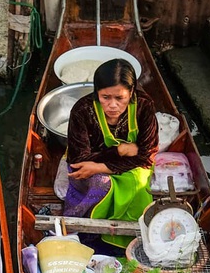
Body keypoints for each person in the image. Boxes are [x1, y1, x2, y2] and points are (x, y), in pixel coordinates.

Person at [64, 57, 159, 248]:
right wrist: (120, 151)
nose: (113, 105)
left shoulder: (144, 106)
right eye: (105, 97)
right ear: (96, 92)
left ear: (131, 92)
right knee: (101, 184)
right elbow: (80, 160)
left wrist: (101, 165)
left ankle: (128, 238)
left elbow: (147, 155)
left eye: (120, 98)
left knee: (140, 183)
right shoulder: (82, 110)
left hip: (127, 167)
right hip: (92, 169)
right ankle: (85, 234)